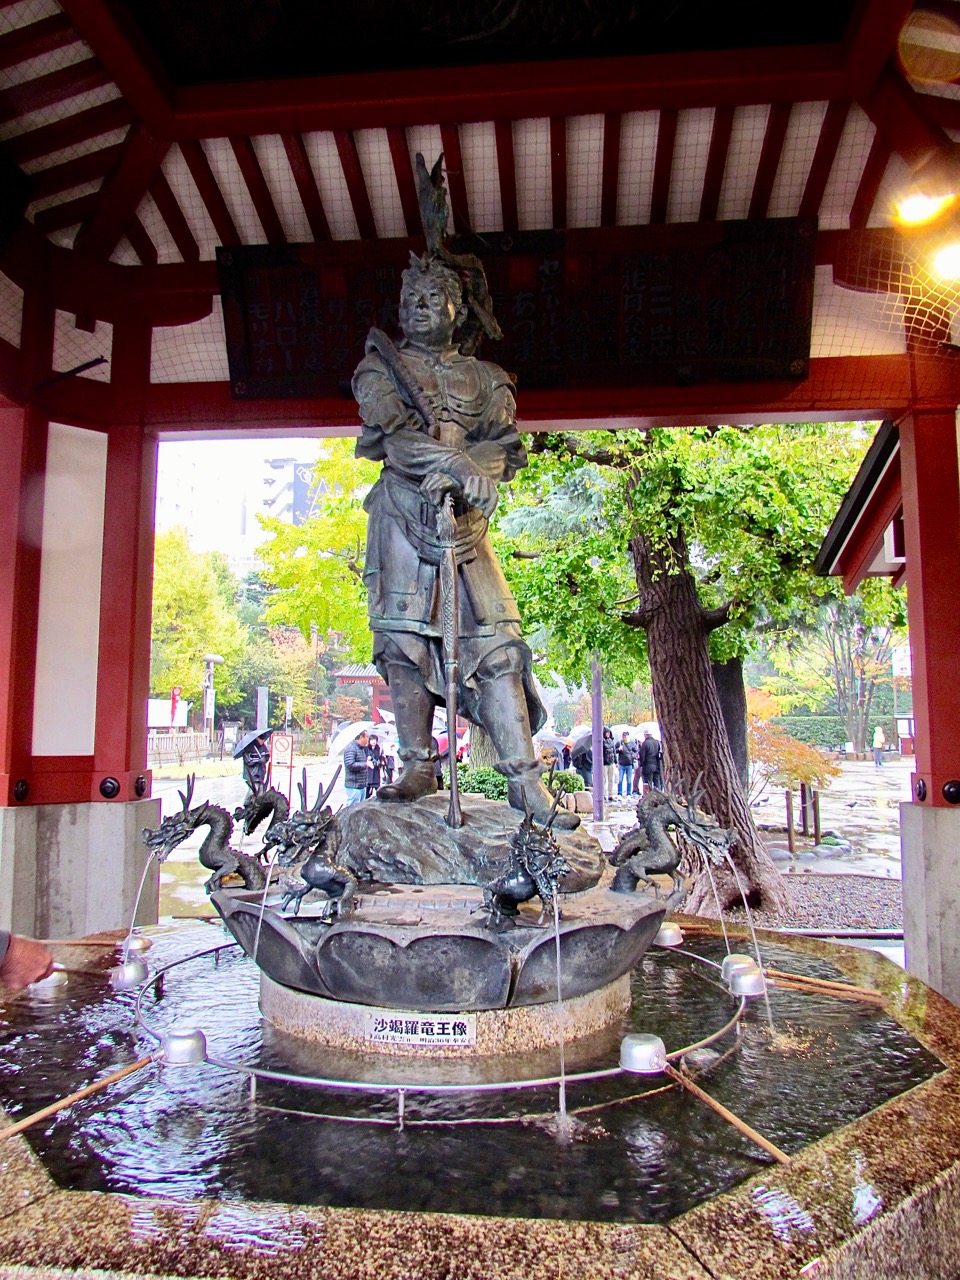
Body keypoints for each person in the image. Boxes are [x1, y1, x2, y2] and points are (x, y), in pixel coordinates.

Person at [352, 190, 578, 830]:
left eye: (433, 299)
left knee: (500, 646)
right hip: (401, 516)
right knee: (401, 642)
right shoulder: (379, 368)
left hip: (468, 529)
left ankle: (525, 783)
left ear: (459, 308)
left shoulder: (488, 377)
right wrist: (452, 464)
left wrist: (482, 475)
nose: (419, 310)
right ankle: (418, 763)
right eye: (410, 301)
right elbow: (393, 437)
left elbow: (502, 446)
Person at [343, 729, 371, 806]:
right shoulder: (351, 748)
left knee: (360, 809)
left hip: (361, 785)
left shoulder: (361, 749)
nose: (368, 739)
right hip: (354, 785)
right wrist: (365, 764)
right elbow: (350, 764)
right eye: (367, 737)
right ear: (361, 737)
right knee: (352, 808)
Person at [616, 732, 637, 798]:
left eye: (625, 736)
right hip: (621, 763)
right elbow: (614, 750)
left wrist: (633, 756)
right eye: (623, 736)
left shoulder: (632, 743)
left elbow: (636, 751)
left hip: (629, 764)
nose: (624, 738)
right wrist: (618, 749)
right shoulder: (620, 743)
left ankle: (628, 793)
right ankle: (619, 793)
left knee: (629, 780)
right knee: (620, 779)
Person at [601, 727, 617, 801]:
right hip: (604, 763)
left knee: (611, 780)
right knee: (604, 780)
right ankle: (603, 794)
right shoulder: (602, 742)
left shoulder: (611, 741)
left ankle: (610, 795)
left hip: (611, 762)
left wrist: (616, 762)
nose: (608, 734)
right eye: (606, 733)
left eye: (609, 733)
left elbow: (614, 752)